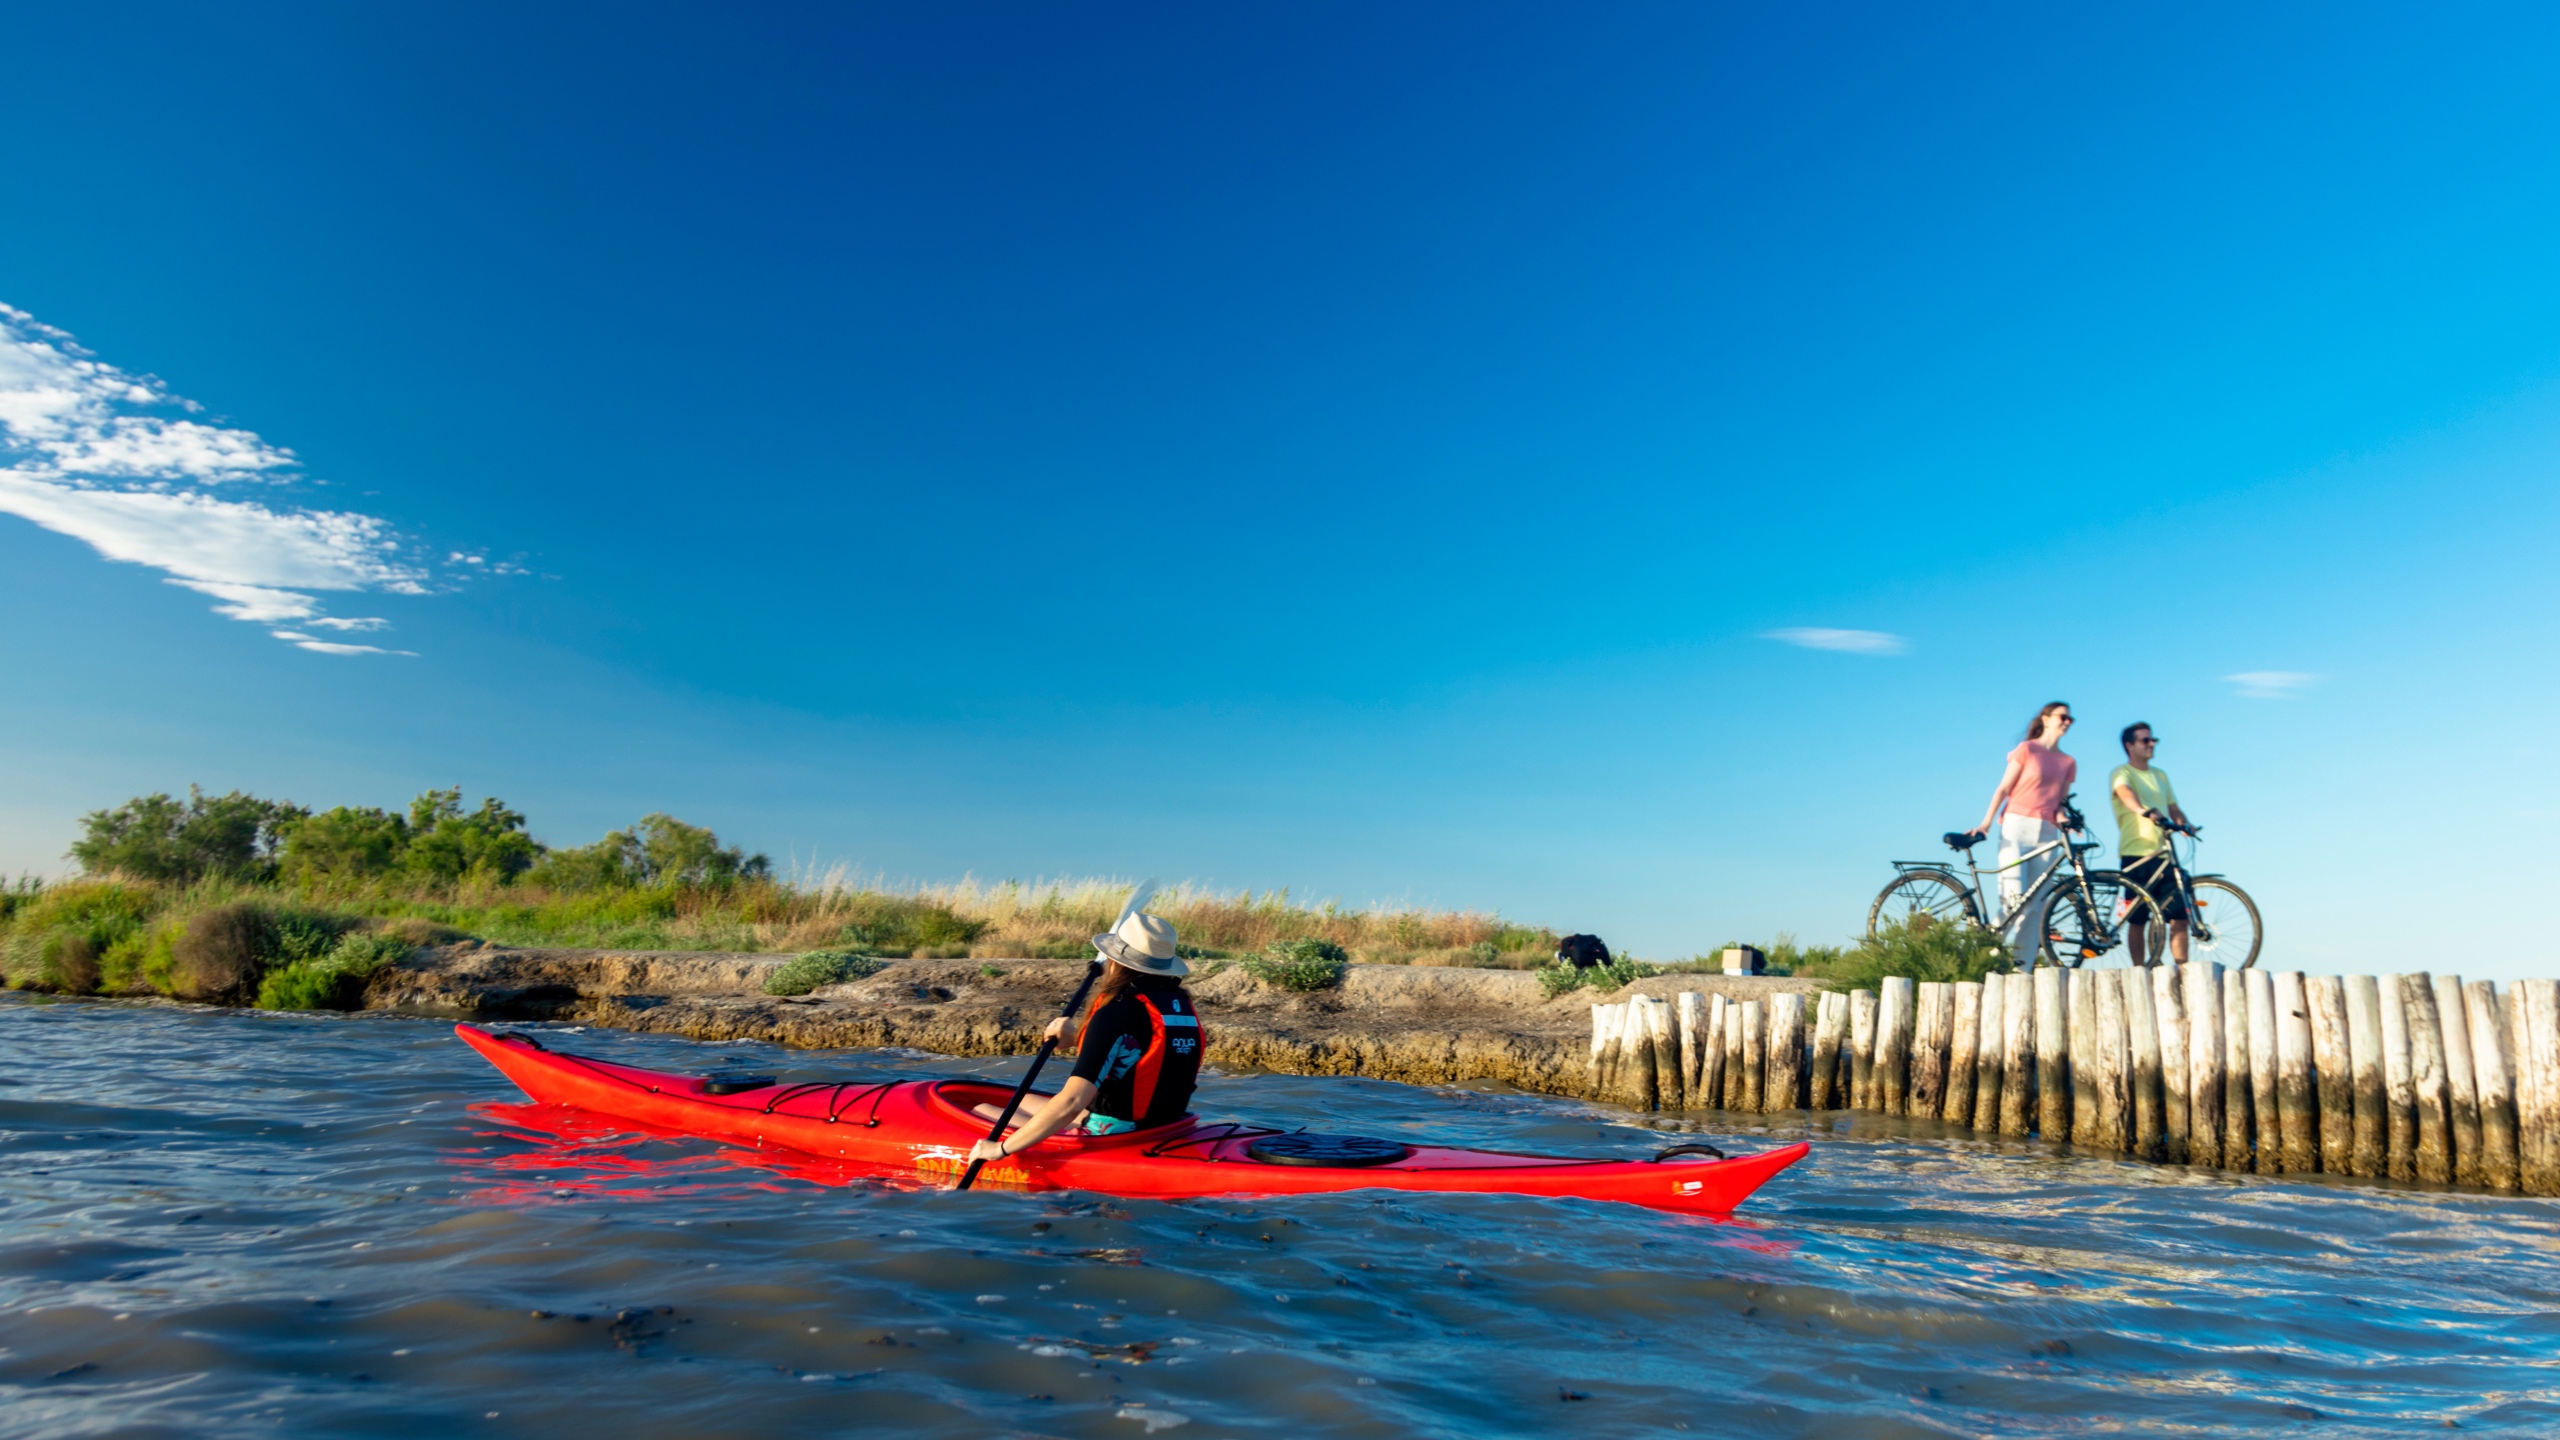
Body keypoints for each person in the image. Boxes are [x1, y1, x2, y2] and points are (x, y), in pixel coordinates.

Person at [966, 909, 1205, 1165]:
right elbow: (1133, 1051)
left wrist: (1000, 1149)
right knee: (1022, 1101)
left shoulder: (1116, 1014)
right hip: (1165, 1124)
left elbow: (1071, 1101)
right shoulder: (1180, 1007)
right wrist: (1076, 1038)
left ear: (1114, 962)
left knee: (980, 1111)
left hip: (1118, 1134)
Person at [1968, 701, 2077, 969]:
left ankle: (2022, 969)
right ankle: (1979, 955)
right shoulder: (2027, 750)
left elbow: (2059, 803)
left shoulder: (2068, 762)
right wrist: (1986, 823)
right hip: (2016, 828)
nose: (2066, 722)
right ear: (2046, 718)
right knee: (2014, 900)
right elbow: (2004, 788)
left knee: (2037, 907)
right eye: (2062, 717)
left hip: (2047, 834)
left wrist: (2066, 820)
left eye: (2070, 719)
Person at [2111, 721, 2194, 967]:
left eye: (2152, 740)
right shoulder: (2121, 773)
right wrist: (2143, 810)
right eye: (2145, 740)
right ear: (2129, 745)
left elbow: (2173, 808)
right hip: (2136, 853)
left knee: (2179, 915)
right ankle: (2140, 970)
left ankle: (2182, 968)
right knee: (2138, 919)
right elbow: (2126, 794)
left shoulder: (2160, 775)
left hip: (2164, 853)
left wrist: (2185, 824)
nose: (2151, 744)